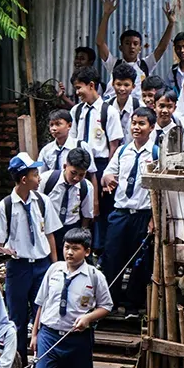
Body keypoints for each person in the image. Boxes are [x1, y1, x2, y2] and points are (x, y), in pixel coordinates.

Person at [30, 228, 113, 368]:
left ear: (86, 251)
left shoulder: (95, 277)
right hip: (49, 334)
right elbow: (41, 303)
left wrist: (88, 318)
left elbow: (106, 306)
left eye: (75, 249)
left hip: (77, 340)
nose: (69, 252)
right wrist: (35, 334)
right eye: (67, 247)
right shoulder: (53, 270)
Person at [0, 152, 63, 366]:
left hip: (41, 266)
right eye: (35, 174)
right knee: (17, 320)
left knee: (44, 316)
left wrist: (55, 267)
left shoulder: (43, 202)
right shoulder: (5, 207)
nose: (39, 178)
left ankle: (43, 365)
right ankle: (20, 367)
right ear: (23, 179)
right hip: (18, 268)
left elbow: (50, 235)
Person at [102, 107, 159, 312]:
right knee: (112, 257)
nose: (136, 127)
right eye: (134, 123)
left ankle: (133, 306)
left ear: (151, 127)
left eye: (141, 123)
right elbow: (108, 174)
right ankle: (110, 303)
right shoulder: (122, 150)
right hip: (121, 213)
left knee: (141, 261)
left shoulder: (156, 153)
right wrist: (107, 178)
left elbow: (161, 190)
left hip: (143, 215)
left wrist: (154, 218)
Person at [70, 65, 122, 257]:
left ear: (91, 85)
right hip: (81, 166)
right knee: (82, 209)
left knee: (102, 210)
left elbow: (114, 145)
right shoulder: (76, 111)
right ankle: (82, 249)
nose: (77, 93)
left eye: (79, 87)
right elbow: (73, 141)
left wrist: (107, 173)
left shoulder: (109, 111)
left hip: (101, 166)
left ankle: (104, 252)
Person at [97, 0, 176, 92]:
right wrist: (106, 15)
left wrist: (171, 24)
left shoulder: (145, 65)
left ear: (140, 48)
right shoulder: (114, 64)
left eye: (135, 44)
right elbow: (100, 43)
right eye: (127, 43)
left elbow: (162, 48)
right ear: (120, 47)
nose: (131, 47)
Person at [41, 147, 95, 257]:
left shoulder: (86, 187)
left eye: (81, 175)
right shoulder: (47, 180)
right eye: (73, 173)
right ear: (65, 166)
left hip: (71, 229)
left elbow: (86, 216)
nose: (76, 178)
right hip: (48, 229)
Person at [37, 109, 98, 176]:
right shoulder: (46, 150)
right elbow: (41, 174)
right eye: (51, 125)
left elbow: (92, 173)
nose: (54, 128)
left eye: (58, 124)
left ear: (69, 125)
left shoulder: (81, 146)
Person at [106, 62, 142, 138]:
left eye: (126, 85)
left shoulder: (140, 107)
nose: (122, 89)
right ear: (112, 84)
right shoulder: (105, 107)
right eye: (118, 84)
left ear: (133, 86)